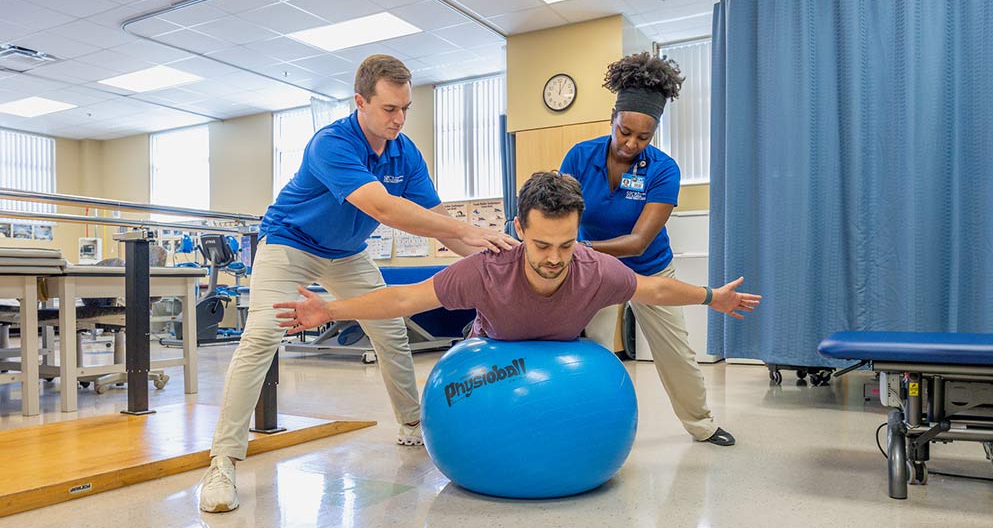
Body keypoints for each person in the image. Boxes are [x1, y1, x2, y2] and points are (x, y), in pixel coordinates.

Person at [199, 55, 517, 514]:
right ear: (360, 102)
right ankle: (222, 462)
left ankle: (412, 424)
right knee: (262, 336)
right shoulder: (331, 143)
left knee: (391, 329)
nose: (399, 118)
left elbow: (441, 223)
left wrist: (495, 260)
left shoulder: (405, 153)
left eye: (405, 108)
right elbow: (384, 209)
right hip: (290, 241)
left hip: (345, 252)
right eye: (389, 108)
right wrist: (472, 232)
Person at [274, 171, 759, 368]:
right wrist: (330, 309)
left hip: (564, 361)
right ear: (518, 228)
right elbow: (405, 299)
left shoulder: (594, 269)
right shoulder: (488, 268)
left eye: (565, 245)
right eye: (541, 244)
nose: (553, 258)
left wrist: (712, 297)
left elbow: (652, 289)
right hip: (493, 355)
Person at [559, 52, 736, 447]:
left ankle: (701, 423)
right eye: (624, 132)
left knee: (676, 353)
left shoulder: (663, 169)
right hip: (597, 269)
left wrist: (580, 247)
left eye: (643, 137)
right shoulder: (579, 157)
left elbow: (639, 241)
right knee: (595, 349)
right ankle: (592, 427)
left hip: (650, 268)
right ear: (612, 118)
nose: (630, 143)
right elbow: (560, 212)